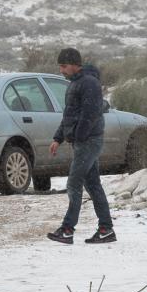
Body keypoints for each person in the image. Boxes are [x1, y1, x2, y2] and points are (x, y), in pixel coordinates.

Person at [47, 48, 115, 245]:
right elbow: (69, 115)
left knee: (73, 184)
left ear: (75, 64)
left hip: (88, 141)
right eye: (59, 66)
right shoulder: (75, 84)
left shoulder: (89, 83)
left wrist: (79, 137)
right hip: (83, 141)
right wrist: (58, 138)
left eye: (64, 66)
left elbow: (90, 115)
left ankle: (67, 230)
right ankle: (106, 229)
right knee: (93, 185)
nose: (61, 70)